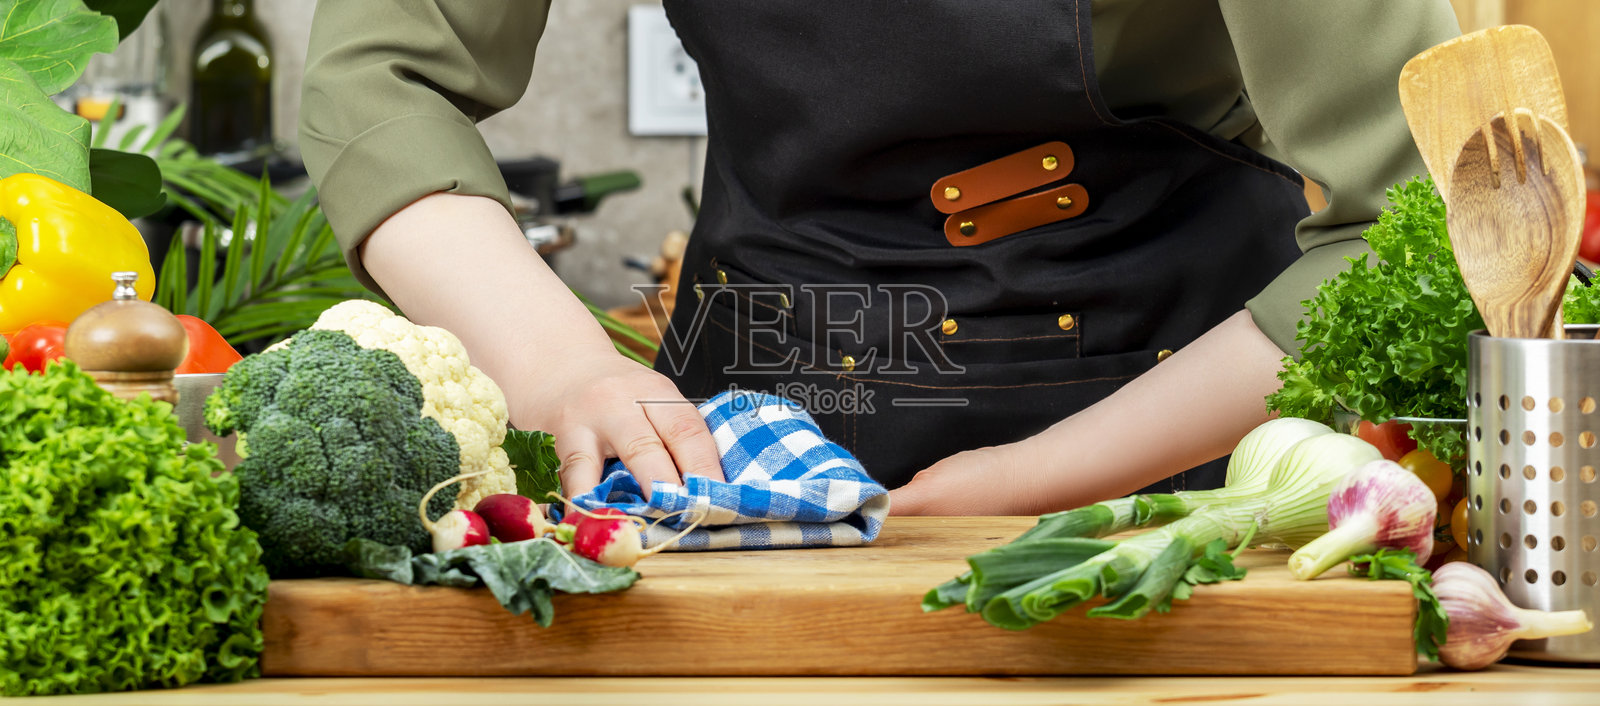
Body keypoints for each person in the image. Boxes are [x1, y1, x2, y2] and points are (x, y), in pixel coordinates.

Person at [298, 1, 1461, 515]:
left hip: (1172, 464)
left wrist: (1034, 476)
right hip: (731, 461)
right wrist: (563, 374)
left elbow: (1415, 229)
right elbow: (381, 82)